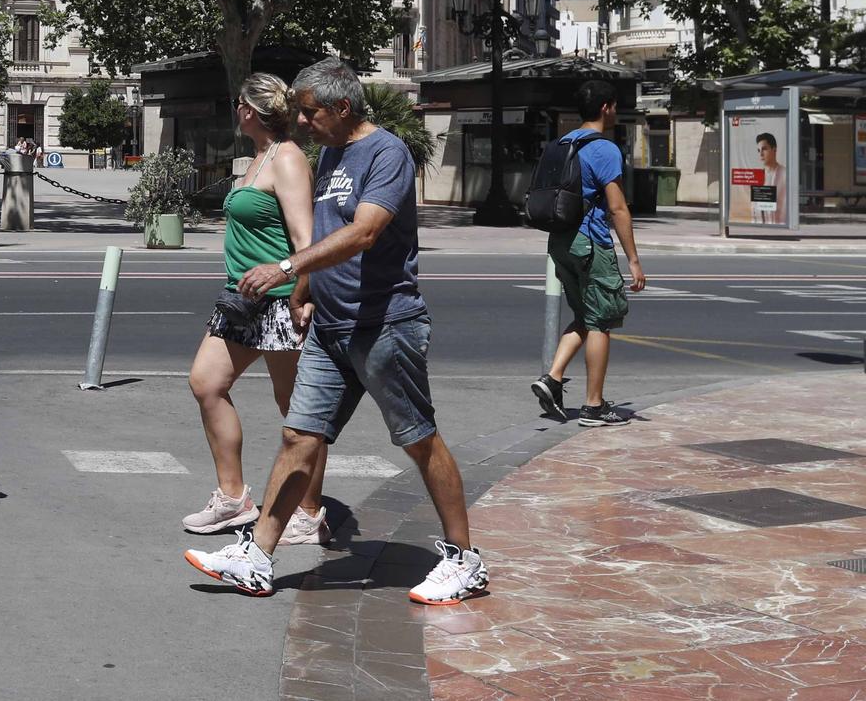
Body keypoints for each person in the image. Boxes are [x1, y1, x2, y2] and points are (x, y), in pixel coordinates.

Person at [186, 59, 485, 606]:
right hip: (329, 324)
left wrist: (286, 270)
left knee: (418, 439)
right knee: (299, 436)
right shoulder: (331, 153)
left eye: (309, 111)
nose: (300, 121)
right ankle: (257, 556)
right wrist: (303, 294)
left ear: (342, 107)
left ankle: (464, 560)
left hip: (385, 323)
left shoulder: (386, 153)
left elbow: (365, 231)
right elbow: (322, 231)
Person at [183, 74, 329, 546]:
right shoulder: (257, 159)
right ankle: (234, 498)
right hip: (240, 298)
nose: (235, 109)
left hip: (277, 300)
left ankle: (309, 511)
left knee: (297, 410)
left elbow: (307, 242)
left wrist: (300, 293)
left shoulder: (286, 159)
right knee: (206, 383)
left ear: (250, 109)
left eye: (238, 103)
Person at [531, 81, 647, 427]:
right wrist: (634, 260)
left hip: (560, 243)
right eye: (614, 105)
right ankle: (594, 407)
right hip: (590, 243)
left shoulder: (561, 143)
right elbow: (618, 209)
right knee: (602, 321)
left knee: (584, 314)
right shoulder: (604, 149)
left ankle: (551, 378)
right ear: (606, 107)